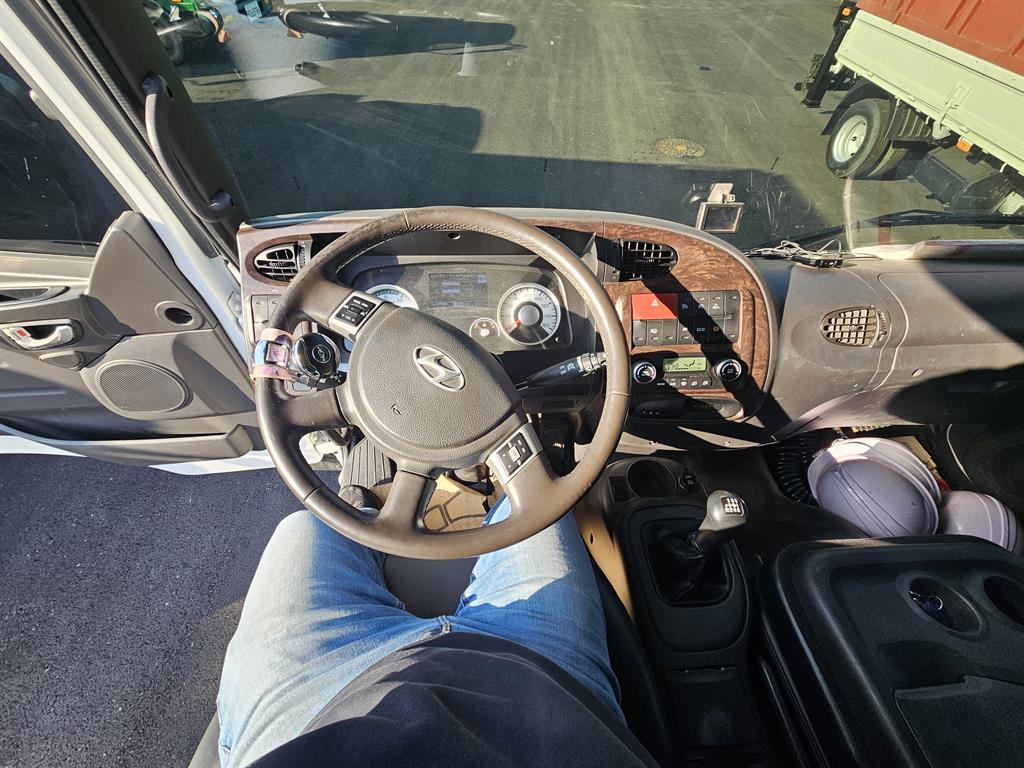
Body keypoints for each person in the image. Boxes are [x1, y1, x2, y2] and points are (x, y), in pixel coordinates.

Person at [216, 482, 657, 767]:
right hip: (544, 691)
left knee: (308, 526)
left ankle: (361, 510)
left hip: (314, 708)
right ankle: (497, 493)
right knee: (536, 504)